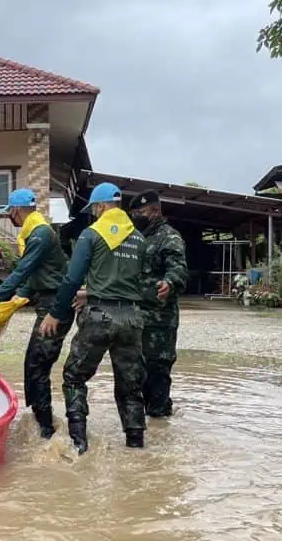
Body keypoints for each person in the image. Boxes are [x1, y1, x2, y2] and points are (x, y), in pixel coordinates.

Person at [39, 182, 147, 453]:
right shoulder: (139, 239)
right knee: (130, 383)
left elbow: (72, 278)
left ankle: (79, 444)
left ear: (100, 206)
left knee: (74, 377)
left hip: (99, 317)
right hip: (133, 318)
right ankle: (136, 443)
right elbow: (138, 282)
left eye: (95, 209)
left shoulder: (91, 235)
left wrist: (55, 313)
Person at [0, 189, 71, 440]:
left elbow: (21, 272)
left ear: (15, 211)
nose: (10, 218)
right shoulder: (38, 230)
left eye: (10, 213)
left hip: (55, 307)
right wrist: (19, 297)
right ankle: (41, 423)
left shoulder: (39, 235)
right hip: (49, 302)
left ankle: (46, 430)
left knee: (36, 365)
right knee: (35, 364)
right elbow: (37, 274)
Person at [129, 190, 188, 418]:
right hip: (136, 318)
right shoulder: (136, 238)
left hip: (159, 321)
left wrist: (170, 283)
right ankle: (148, 432)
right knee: (137, 374)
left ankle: (161, 424)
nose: (137, 217)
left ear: (155, 211)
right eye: (134, 213)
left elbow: (179, 268)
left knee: (157, 375)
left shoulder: (169, 237)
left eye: (141, 212)